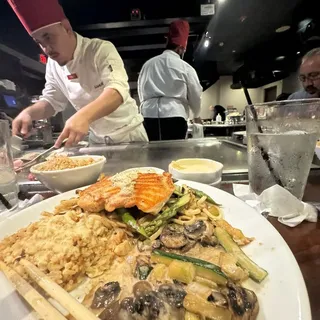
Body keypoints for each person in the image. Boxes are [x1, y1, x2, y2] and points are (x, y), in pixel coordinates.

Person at [8, 0, 148, 147]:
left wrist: (83, 117)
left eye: (48, 37)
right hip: (97, 140)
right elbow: (51, 101)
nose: (46, 49)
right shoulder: (53, 64)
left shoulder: (99, 49)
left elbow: (117, 92)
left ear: (66, 27)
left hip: (129, 136)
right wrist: (29, 113)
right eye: (39, 42)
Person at [138, 20, 202, 141]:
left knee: (153, 153)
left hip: (149, 115)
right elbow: (195, 93)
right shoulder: (185, 67)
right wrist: (196, 114)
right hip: (175, 115)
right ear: (180, 48)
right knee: (175, 152)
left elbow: (141, 92)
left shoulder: (148, 64)